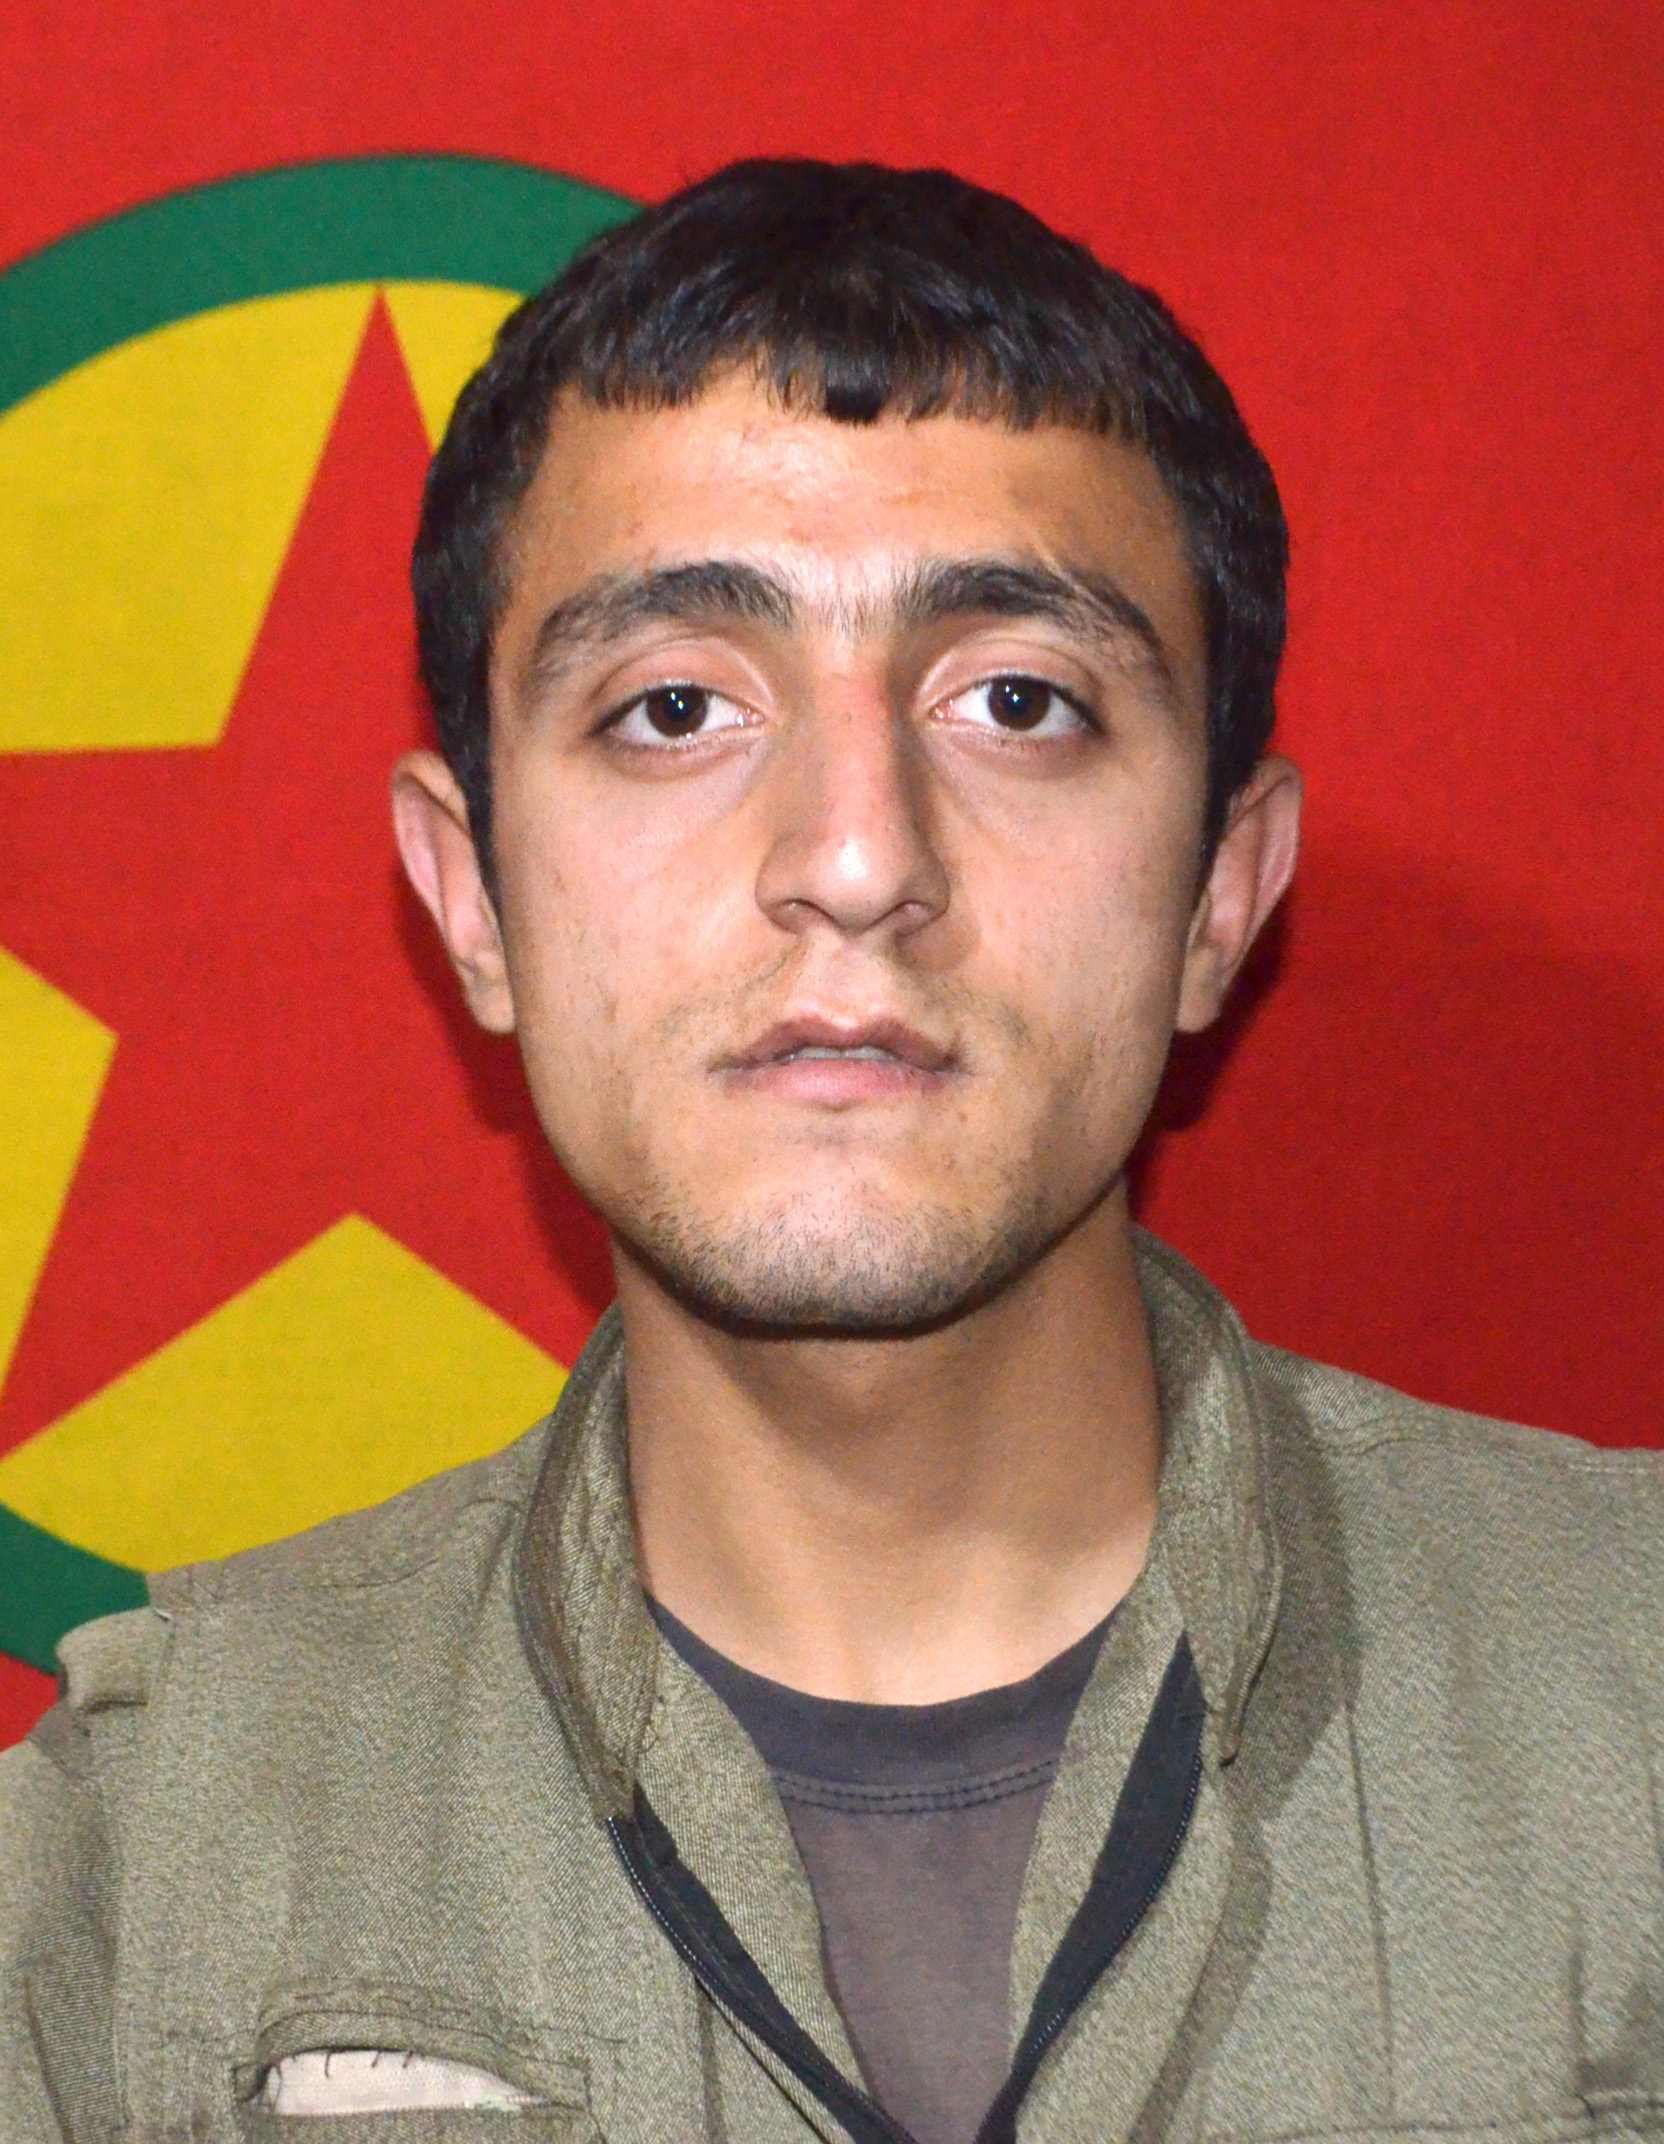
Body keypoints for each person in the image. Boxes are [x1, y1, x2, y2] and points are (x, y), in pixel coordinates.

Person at [3, 158, 1660, 2144]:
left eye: (1017, 701)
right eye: (674, 708)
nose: (859, 856)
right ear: (470, 899)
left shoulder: (1630, 1710)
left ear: (1221, 893)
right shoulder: (130, 1886)